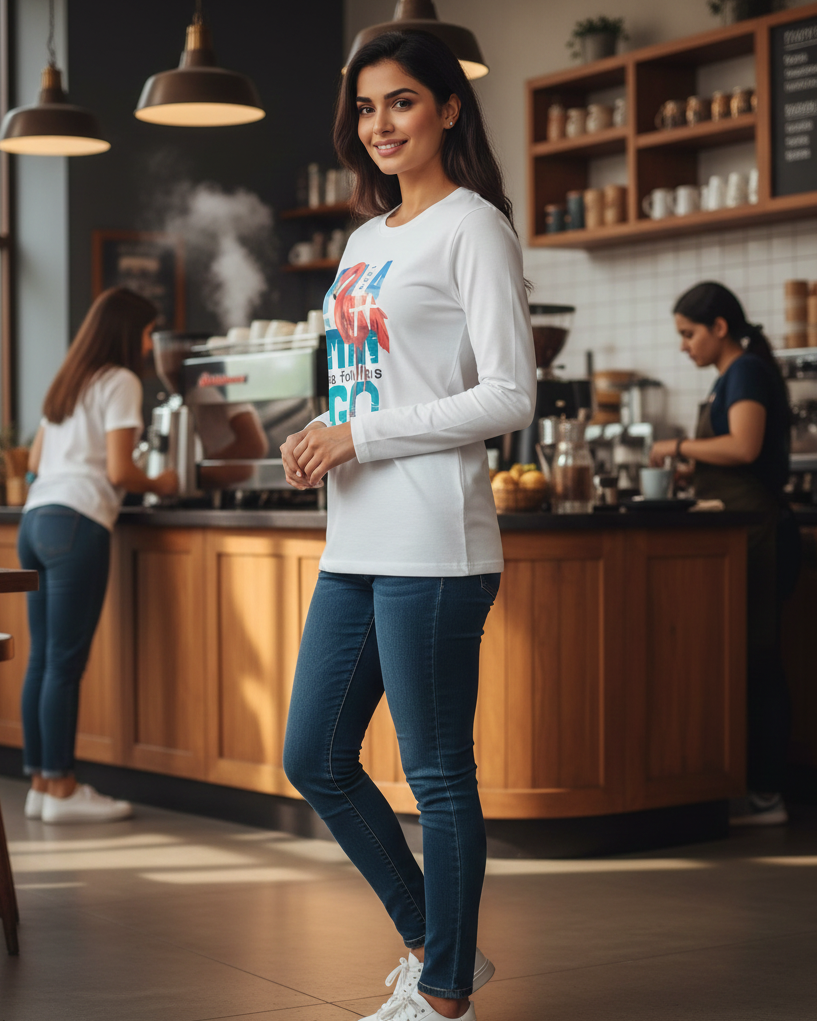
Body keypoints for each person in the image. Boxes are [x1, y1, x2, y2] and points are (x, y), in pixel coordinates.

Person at [280, 30, 535, 1021]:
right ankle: (441, 942)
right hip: (356, 543)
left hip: (436, 543)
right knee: (315, 756)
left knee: (435, 774)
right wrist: (325, 437)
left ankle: (441, 998)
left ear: (447, 110)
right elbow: (367, 385)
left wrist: (362, 435)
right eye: (365, 107)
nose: (379, 124)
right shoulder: (362, 240)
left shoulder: (473, 227)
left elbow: (510, 394)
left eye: (401, 103)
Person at [19, 287, 178, 824]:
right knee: (64, 662)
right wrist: (164, 480)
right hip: (76, 522)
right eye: (147, 331)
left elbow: (36, 460)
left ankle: (41, 784)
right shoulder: (121, 381)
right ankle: (62, 788)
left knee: (42, 659)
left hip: (35, 521)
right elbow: (119, 472)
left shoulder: (69, 380)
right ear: (127, 333)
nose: (150, 341)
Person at [650, 281, 799, 826]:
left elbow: (744, 446)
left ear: (718, 328)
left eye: (689, 334)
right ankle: (755, 789)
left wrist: (677, 447)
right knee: (748, 656)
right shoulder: (728, 378)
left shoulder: (746, 373)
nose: (684, 345)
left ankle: (767, 795)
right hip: (744, 534)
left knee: (758, 659)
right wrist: (695, 469)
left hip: (761, 533)